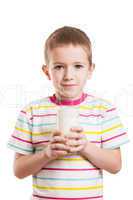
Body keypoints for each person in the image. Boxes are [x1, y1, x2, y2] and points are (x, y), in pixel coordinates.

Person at [8, 26, 129, 200]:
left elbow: (115, 165)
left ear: (90, 70)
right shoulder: (31, 113)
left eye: (78, 66)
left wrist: (85, 146)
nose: (68, 75)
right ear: (46, 71)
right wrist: (46, 154)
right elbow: (18, 170)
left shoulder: (103, 111)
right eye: (58, 67)